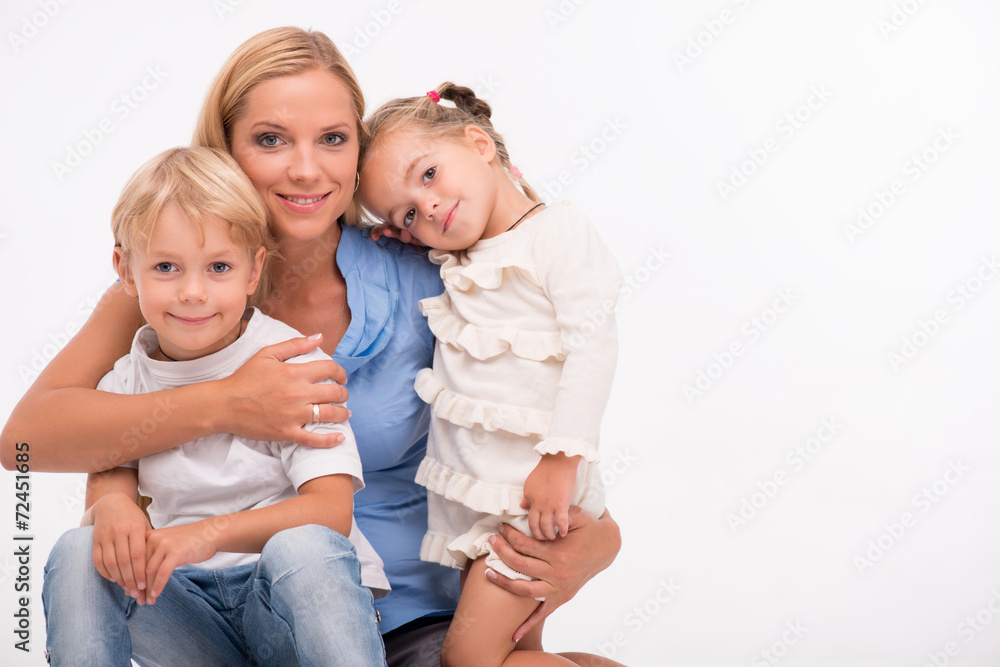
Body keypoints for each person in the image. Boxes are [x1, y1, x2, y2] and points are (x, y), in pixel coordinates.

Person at [0, 27, 622, 666]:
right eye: (270, 140)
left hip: (408, 618)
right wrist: (224, 405)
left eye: (333, 139)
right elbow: (25, 443)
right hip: (221, 610)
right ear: (227, 150)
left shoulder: (431, 275)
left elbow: (536, 398)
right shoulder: (171, 285)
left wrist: (602, 539)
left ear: (358, 152)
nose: (306, 167)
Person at [42, 146, 390, 666]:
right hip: (190, 616)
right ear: (126, 270)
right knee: (77, 552)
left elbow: (330, 511)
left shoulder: (292, 366)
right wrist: (112, 507)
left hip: (289, 612)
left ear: (253, 272)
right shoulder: (125, 378)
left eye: (219, 267)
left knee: (305, 547)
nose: (193, 292)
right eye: (166, 267)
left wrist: (199, 538)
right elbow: (111, 471)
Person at [356, 82, 621, 666]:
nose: (424, 208)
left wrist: (560, 459)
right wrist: (405, 237)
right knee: (512, 653)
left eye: (427, 176)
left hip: (530, 495)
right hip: (481, 497)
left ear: (478, 143)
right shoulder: (465, 256)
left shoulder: (557, 233)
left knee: (469, 661)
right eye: (405, 212)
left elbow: (592, 348)